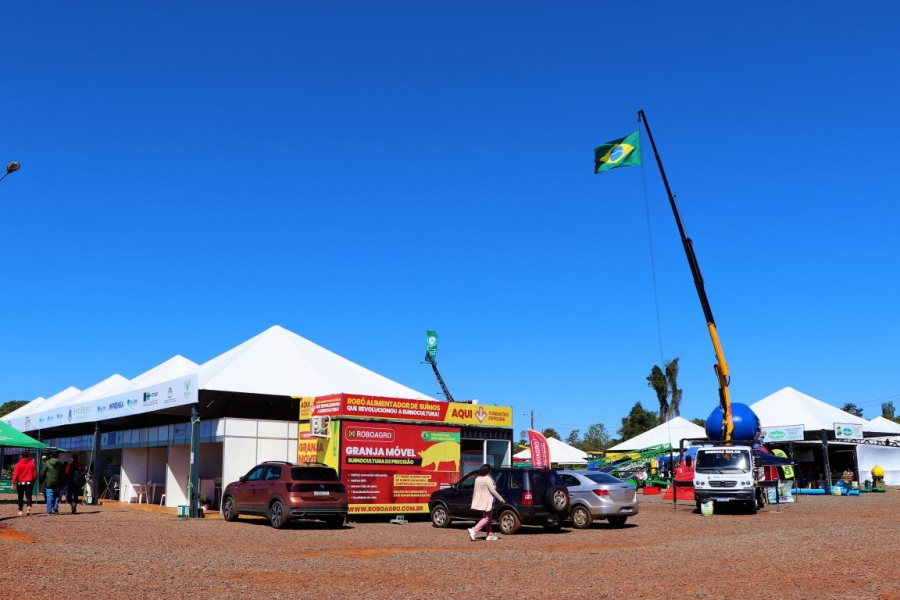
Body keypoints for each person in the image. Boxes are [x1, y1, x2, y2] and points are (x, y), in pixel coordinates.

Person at [468, 464, 504, 542]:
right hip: (487, 500)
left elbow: (476, 490)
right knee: (487, 518)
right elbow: (492, 490)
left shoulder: (478, 478)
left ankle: (489, 534)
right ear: (488, 471)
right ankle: (474, 530)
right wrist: (500, 498)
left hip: (482, 500)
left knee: (488, 517)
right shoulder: (487, 478)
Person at [39, 450, 66, 515]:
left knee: (49, 496)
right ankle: (55, 507)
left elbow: (43, 473)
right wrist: (63, 482)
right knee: (57, 495)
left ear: (51, 455)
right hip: (58, 482)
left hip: (49, 482)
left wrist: (40, 480)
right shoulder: (61, 463)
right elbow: (63, 474)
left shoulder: (47, 463)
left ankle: (49, 511)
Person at [11, 452, 38, 516]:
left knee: (20, 497)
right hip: (29, 483)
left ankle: (20, 509)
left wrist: (13, 483)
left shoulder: (18, 464)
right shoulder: (32, 464)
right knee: (29, 496)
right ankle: (28, 506)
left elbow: (15, 474)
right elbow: (35, 474)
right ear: (28, 456)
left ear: (21, 456)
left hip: (20, 483)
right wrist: (33, 480)